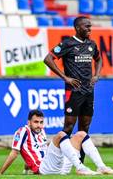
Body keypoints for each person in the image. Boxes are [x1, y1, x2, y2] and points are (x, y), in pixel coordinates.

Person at [44, 16, 102, 161]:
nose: (90, 29)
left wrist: (96, 75)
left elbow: (99, 59)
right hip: (73, 91)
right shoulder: (67, 43)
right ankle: (56, 159)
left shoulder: (92, 44)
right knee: (68, 127)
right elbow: (48, 59)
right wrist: (65, 77)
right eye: (86, 26)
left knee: (84, 129)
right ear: (77, 28)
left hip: (88, 91)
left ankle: (80, 162)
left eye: (90, 26)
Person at [0, 110, 113, 176]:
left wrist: (26, 169)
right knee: (60, 135)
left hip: (57, 167)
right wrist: (0, 173)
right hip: (44, 169)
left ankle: (102, 167)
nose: (39, 125)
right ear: (28, 122)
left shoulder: (41, 132)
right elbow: (15, 153)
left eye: (41, 122)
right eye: (36, 122)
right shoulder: (22, 131)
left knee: (81, 134)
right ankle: (80, 168)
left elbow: (37, 151)